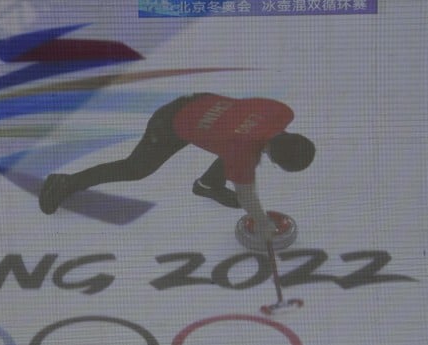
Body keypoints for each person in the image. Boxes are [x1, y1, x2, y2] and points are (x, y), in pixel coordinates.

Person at [38, 93, 315, 251]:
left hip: (201, 105)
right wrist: (261, 221)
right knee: (135, 168)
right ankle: (65, 182)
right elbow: (246, 195)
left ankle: (208, 185)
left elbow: (244, 123)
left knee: (239, 149)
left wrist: (241, 134)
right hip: (169, 124)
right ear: (276, 160)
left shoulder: (281, 111)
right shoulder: (242, 150)